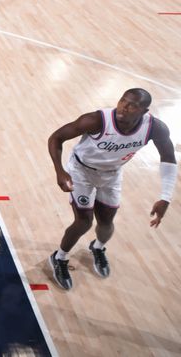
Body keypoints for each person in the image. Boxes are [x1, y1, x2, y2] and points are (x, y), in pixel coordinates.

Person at [47, 88, 178, 291]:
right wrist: (60, 170)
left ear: (144, 111)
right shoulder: (96, 120)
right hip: (82, 171)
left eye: (132, 105)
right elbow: (56, 138)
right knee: (84, 222)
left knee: (106, 222)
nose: (124, 107)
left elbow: (169, 158)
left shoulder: (154, 128)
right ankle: (59, 257)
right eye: (122, 101)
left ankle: (98, 247)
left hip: (112, 174)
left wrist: (165, 197)